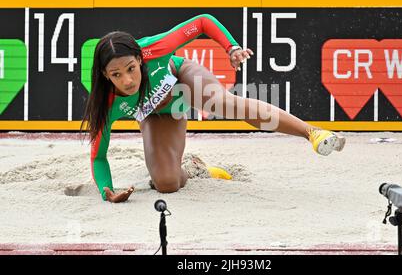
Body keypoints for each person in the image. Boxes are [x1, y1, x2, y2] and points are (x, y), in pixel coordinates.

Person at [81, 14, 345, 203]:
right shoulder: (106, 104)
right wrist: (107, 191)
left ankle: (312, 132)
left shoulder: (153, 49)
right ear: (105, 75)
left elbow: (202, 22)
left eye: (131, 68)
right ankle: (198, 170)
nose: (127, 80)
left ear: (140, 59)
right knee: (166, 184)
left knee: (222, 103)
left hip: (182, 79)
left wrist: (231, 47)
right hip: (160, 115)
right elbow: (98, 156)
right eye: (116, 75)